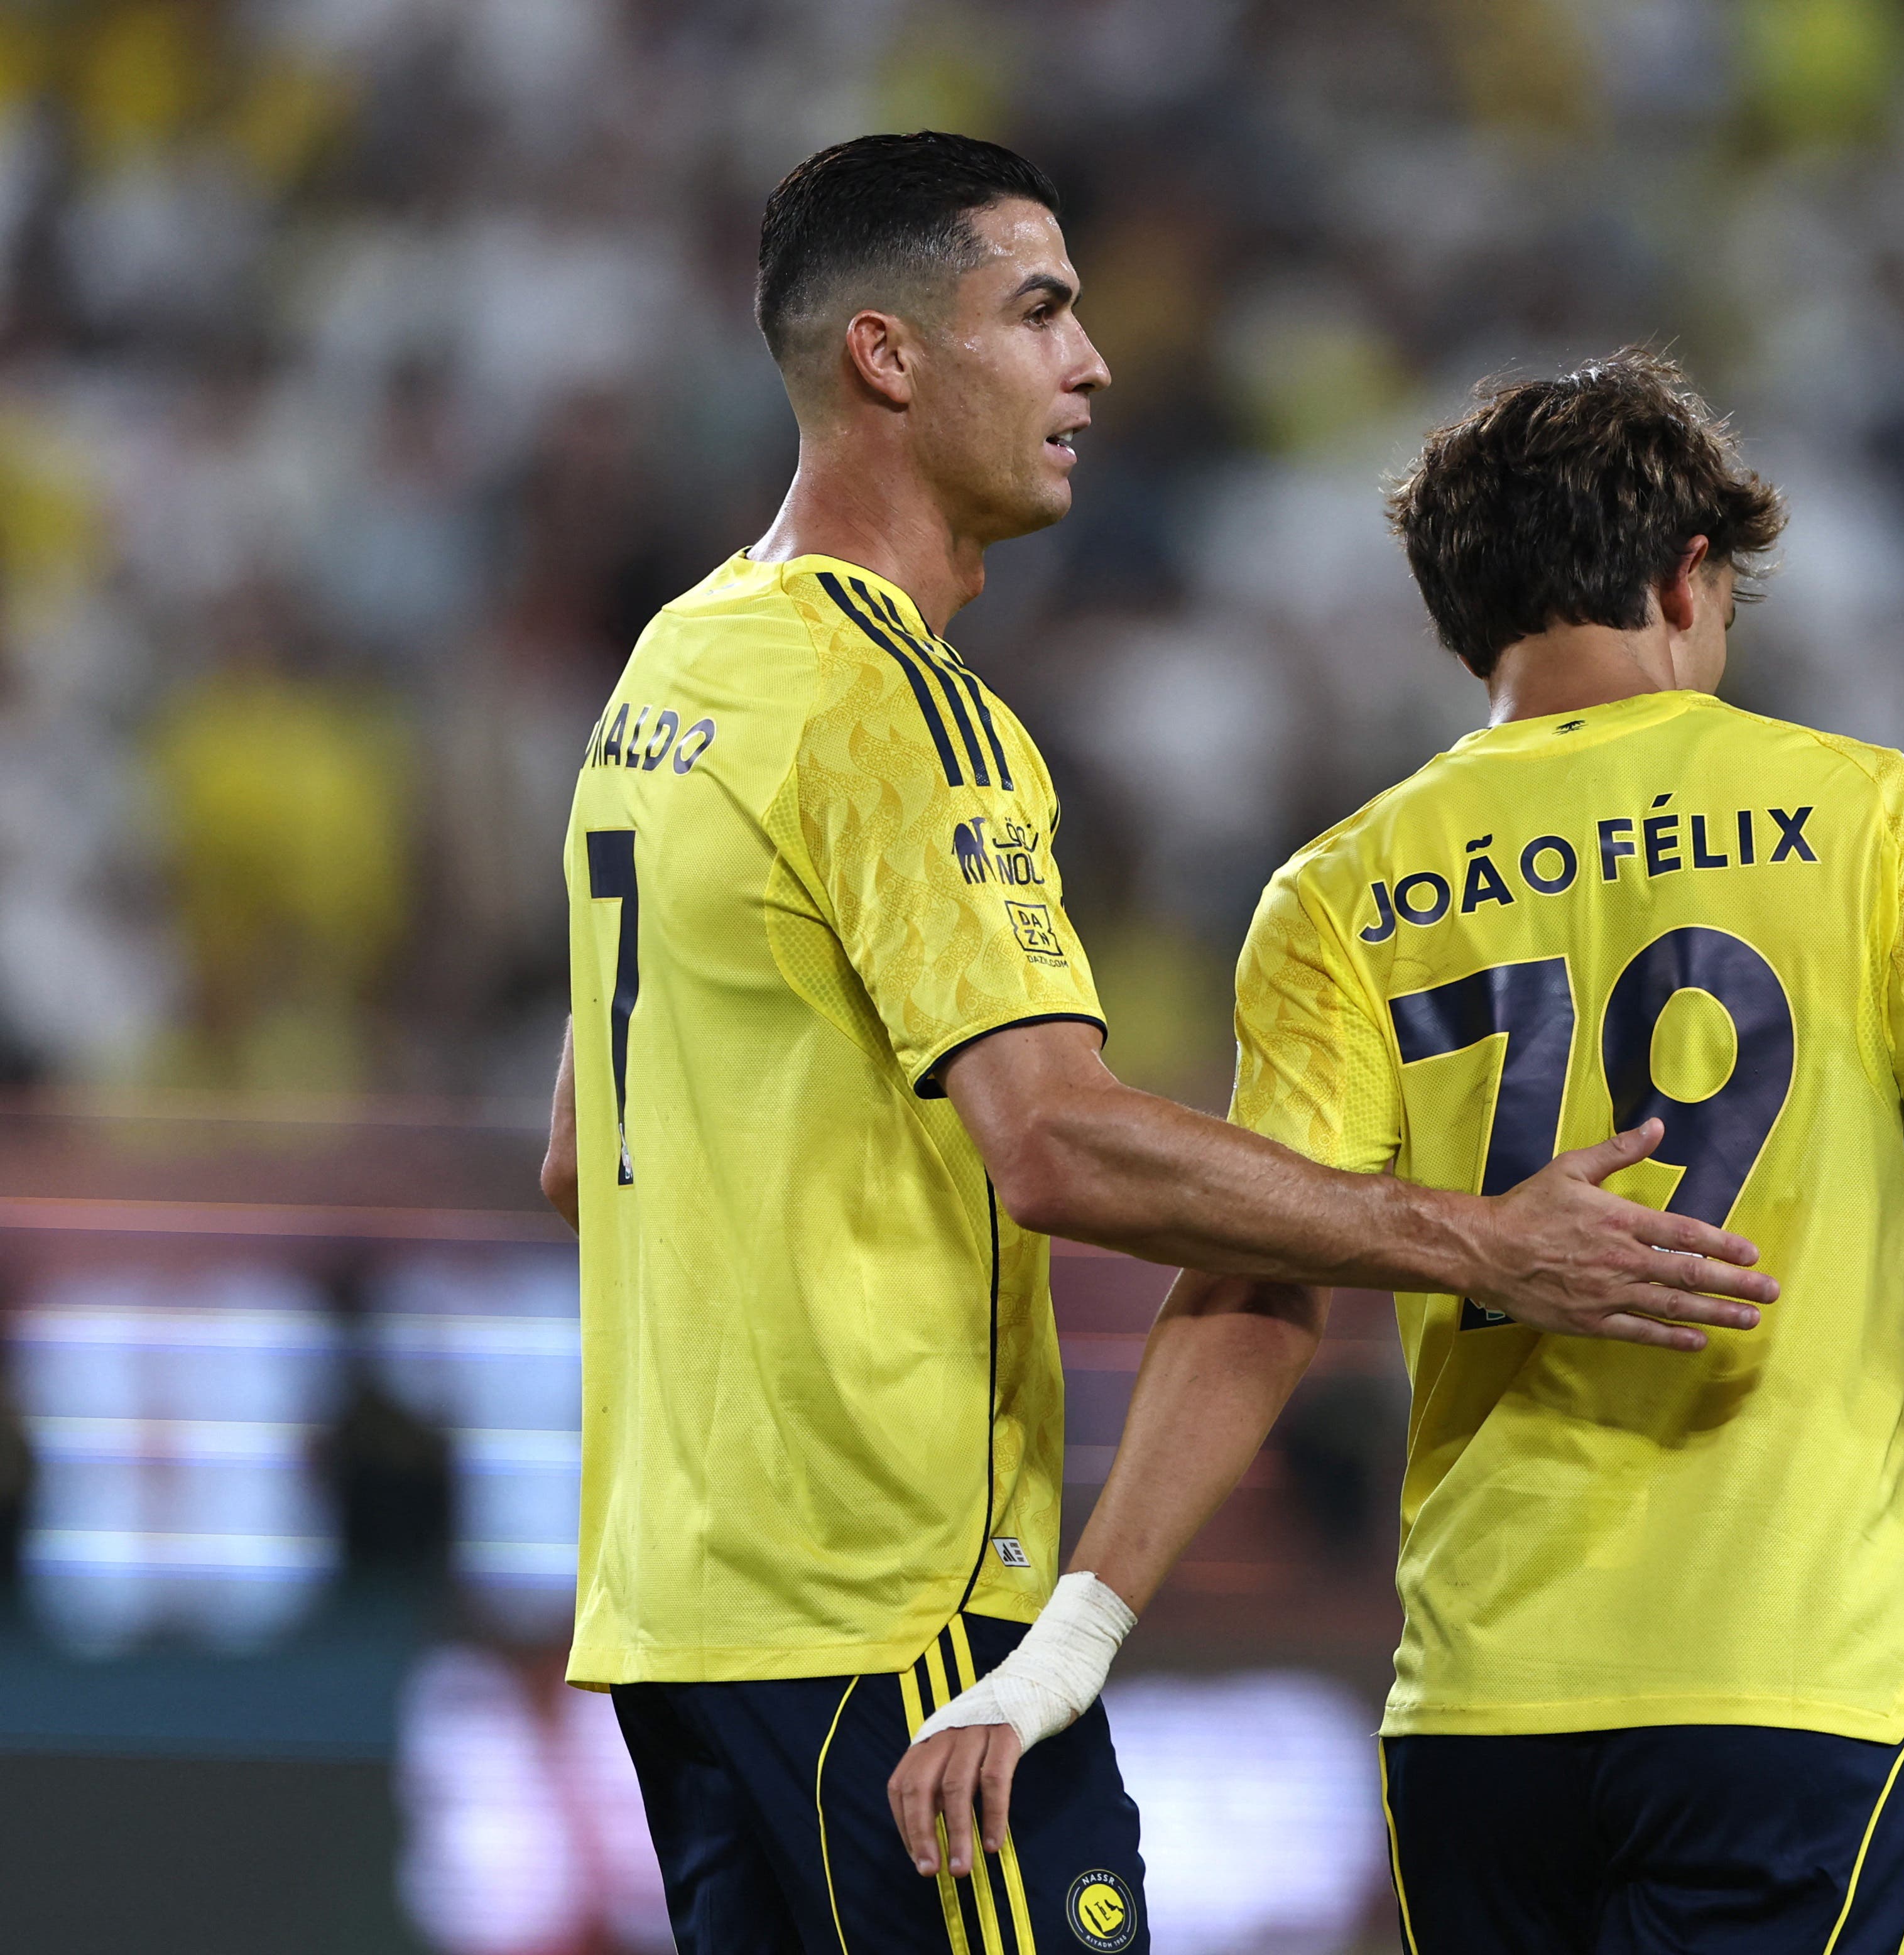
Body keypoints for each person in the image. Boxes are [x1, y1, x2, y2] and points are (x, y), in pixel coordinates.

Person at [540, 142, 1778, 1955]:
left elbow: (585, 1147)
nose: (1093, 364)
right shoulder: (899, 711)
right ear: (888, 357)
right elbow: (1057, 1146)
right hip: (891, 1619)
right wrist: (1478, 1239)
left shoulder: (675, 668)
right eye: (1038, 312)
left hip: (682, 1622)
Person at [893, 352, 1904, 1953]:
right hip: (1785, 1678)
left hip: (1478, 1709)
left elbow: (1254, 1286)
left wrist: (1077, 1631)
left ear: (1465, 617)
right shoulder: (1864, 815)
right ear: (1687, 579)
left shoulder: (1340, 885)